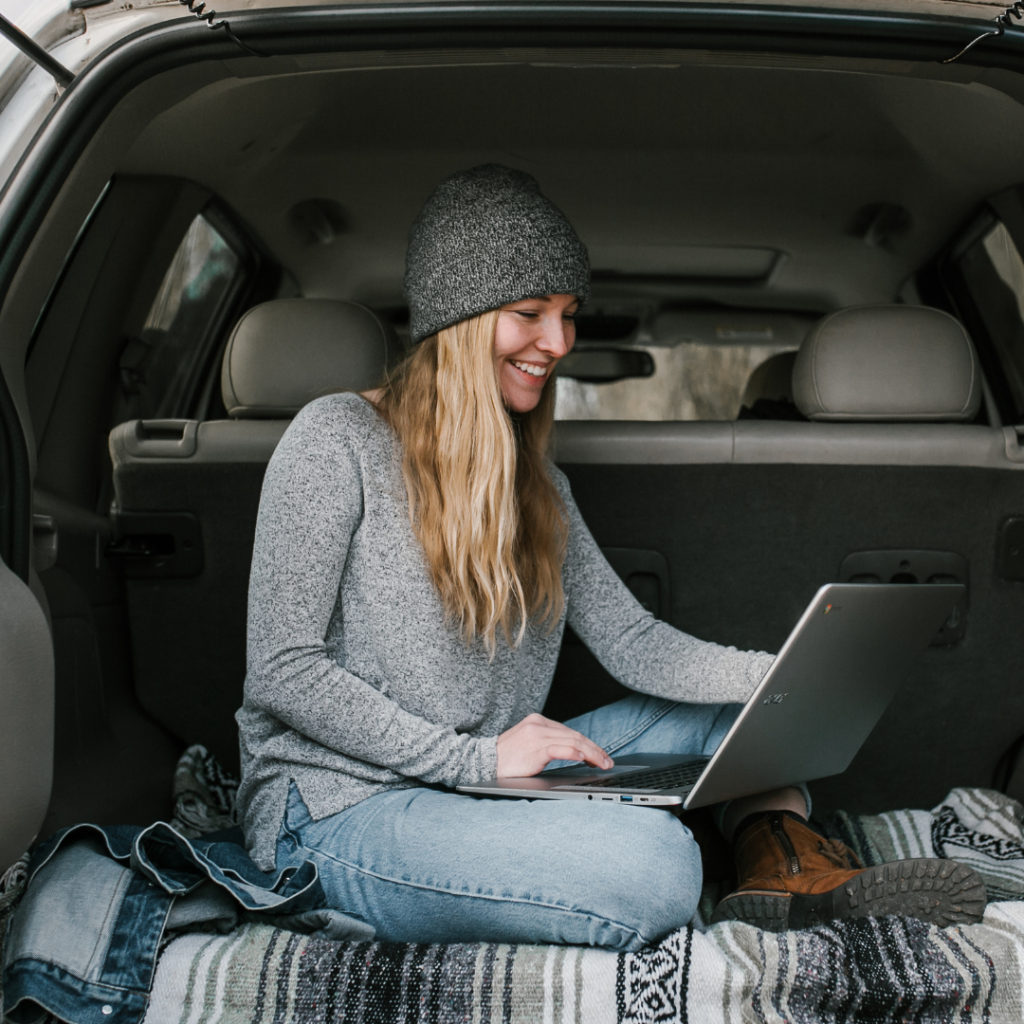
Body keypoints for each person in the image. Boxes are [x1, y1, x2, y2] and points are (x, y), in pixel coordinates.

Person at [236, 164, 986, 948]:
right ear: (458, 320)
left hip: (487, 779)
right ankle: (707, 857)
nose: (557, 343)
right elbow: (283, 670)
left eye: (567, 315)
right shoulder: (334, 441)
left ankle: (783, 867)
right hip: (340, 807)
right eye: (529, 313)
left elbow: (633, 641)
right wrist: (475, 760)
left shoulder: (539, 485)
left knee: (748, 722)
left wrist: (775, 678)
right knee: (655, 870)